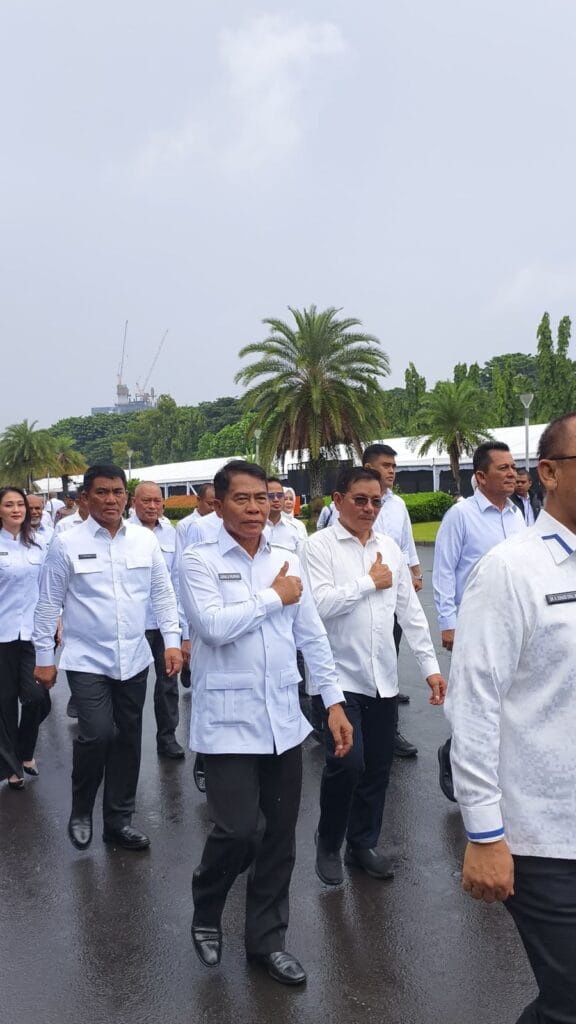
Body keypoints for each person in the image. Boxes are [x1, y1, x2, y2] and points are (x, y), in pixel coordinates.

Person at [179, 460, 352, 985]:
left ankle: (267, 942)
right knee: (237, 831)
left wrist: (334, 700)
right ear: (219, 502)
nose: (255, 509)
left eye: (263, 499)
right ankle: (208, 904)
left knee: (279, 836)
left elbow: (311, 635)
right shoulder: (198, 559)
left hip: (283, 717)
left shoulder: (286, 554)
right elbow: (211, 628)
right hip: (227, 719)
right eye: (243, 499)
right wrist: (273, 596)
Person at [445, 412, 576, 1024]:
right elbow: (473, 705)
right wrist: (484, 834)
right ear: (548, 472)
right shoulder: (509, 570)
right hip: (545, 837)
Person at [303, 467, 446, 886]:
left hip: (382, 678)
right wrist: (369, 582)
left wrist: (431, 668)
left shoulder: (391, 549)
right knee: (348, 764)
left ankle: (361, 844)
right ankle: (328, 842)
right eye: (360, 499)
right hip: (336, 680)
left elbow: (411, 614)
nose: (368, 508)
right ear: (338, 499)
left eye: (376, 501)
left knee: (378, 768)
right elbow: (317, 606)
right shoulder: (319, 546)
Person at [33, 464, 182, 852]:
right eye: (102, 492)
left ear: (126, 497)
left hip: (133, 658)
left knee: (128, 740)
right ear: (85, 498)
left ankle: (119, 821)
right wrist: (44, 657)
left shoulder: (144, 542)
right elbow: (48, 604)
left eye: (117, 492)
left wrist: (171, 639)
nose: (111, 499)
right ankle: (81, 808)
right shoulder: (65, 543)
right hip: (86, 659)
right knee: (97, 733)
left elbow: (164, 595)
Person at [433, 441, 526, 801]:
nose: (512, 474)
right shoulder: (461, 515)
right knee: (474, 700)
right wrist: (447, 622)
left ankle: (499, 772)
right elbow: (442, 571)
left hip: (514, 623)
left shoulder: (517, 513)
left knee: (508, 700)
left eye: (513, 467)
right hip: (473, 624)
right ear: (481, 477)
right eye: (503, 468)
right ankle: (454, 755)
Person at [362, 444, 422, 757]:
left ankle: (389, 730)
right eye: (385, 465)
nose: (391, 470)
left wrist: (415, 573)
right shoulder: (348, 505)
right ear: (368, 467)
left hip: (393, 596)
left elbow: (407, 543)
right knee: (360, 660)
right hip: (361, 597)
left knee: (390, 654)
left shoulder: (397, 505)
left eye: (394, 465)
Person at [0, 488, 51, 788]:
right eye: (9, 505)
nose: (17, 509)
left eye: (20, 504)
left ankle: (24, 750)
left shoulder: (39, 543)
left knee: (36, 697)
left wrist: (56, 621)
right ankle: (12, 767)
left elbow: (48, 589)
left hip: (33, 633)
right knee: (5, 702)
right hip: (3, 635)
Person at [132, 481, 185, 759]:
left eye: (157, 501)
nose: (152, 506)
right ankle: (125, 740)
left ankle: (167, 738)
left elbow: (177, 580)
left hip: (165, 623)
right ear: (134, 502)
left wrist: (181, 628)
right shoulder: (124, 532)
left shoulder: (171, 534)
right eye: (146, 501)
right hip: (135, 624)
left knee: (167, 684)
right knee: (131, 685)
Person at [266, 477, 304, 554]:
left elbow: (301, 560)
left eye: (280, 495)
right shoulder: (255, 529)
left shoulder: (294, 529)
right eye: (271, 496)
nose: (276, 499)